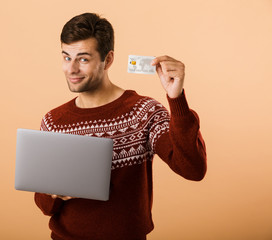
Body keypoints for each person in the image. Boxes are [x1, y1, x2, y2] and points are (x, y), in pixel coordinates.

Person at [34, 12, 207, 240]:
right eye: (66, 57)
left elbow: (193, 169)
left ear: (109, 59)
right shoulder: (53, 121)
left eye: (83, 59)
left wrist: (177, 99)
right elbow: (45, 205)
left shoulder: (143, 112)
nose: (71, 69)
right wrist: (52, 193)